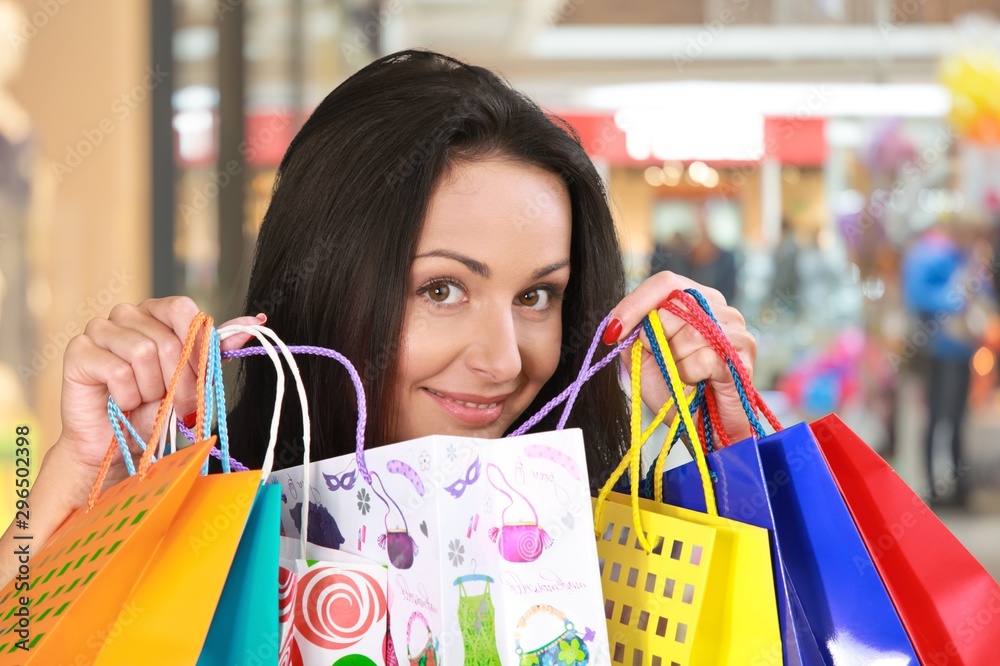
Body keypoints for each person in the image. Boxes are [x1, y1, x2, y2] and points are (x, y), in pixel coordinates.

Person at [0, 51, 756, 578]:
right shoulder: (207, 529)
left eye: (536, 297)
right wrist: (74, 472)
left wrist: (726, 447)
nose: (502, 360)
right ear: (326, 280)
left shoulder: (600, 542)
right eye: (441, 290)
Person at [901, 219, 981, 507]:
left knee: (953, 420)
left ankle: (955, 489)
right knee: (938, 419)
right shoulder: (930, 255)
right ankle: (936, 488)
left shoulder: (951, 255)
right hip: (939, 351)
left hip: (956, 350)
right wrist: (956, 299)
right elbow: (919, 297)